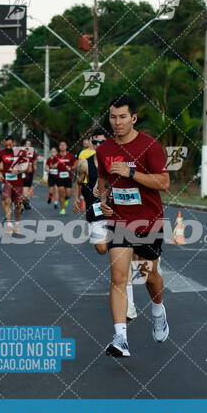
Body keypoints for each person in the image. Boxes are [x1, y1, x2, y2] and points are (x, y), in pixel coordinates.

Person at [97, 95, 170, 357]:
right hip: (120, 221)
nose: (117, 122)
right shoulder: (103, 149)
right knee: (118, 277)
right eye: (113, 117)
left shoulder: (149, 146)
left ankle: (158, 310)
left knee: (149, 276)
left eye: (123, 117)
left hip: (148, 220)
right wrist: (104, 202)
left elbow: (163, 183)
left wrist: (131, 173)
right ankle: (120, 339)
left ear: (133, 118)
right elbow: (103, 184)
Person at [73, 129, 137, 321]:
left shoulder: (116, 162)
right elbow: (77, 182)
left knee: (122, 262)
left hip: (116, 211)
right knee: (101, 248)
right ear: (91, 144)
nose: (100, 145)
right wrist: (76, 199)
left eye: (103, 141)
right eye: (96, 142)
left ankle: (130, 305)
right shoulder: (85, 164)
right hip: (95, 211)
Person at [0, 136, 27, 235]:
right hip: (7, 182)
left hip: (18, 182)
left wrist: (18, 170)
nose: (8, 146)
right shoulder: (1, 152)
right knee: (7, 201)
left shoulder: (21, 152)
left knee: (18, 204)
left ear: (14, 143)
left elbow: (26, 166)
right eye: (6, 144)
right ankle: (9, 225)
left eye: (10, 144)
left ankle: (16, 224)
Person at [55, 141, 77, 216]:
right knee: (61, 192)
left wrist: (70, 168)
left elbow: (75, 164)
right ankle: (62, 209)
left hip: (68, 177)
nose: (62, 146)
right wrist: (57, 163)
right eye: (61, 145)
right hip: (59, 177)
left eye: (64, 145)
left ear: (66, 147)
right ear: (59, 147)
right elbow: (52, 166)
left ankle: (67, 198)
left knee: (68, 194)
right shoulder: (56, 156)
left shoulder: (70, 155)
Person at [22, 139, 36, 210]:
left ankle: (27, 201)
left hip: (30, 172)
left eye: (30, 144)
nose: (29, 145)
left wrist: (35, 166)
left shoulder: (32, 152)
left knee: (29, 187)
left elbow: (34, 159)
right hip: (22, 172)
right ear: (24, 145)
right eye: (27, 144)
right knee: (24, 187)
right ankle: (24, 201)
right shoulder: (20, 152)